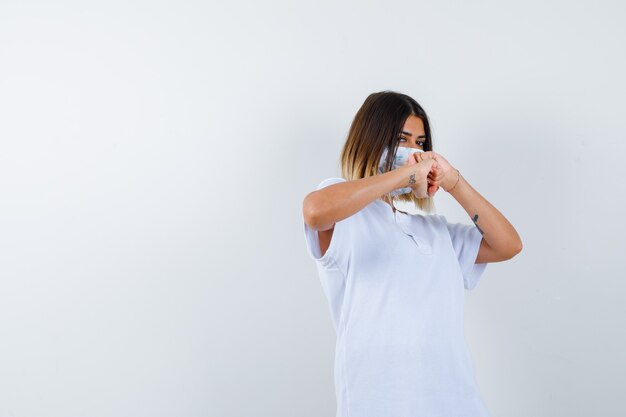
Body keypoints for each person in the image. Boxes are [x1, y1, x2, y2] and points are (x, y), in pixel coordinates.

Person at [301, 90, 522, 417]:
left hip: (456, 403)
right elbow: (315, 211)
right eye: (402, 141)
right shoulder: (347, 216)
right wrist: (406, 174)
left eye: (420, 144)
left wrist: (452, 181)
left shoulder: (436, 232)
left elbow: (509, 245)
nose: (415, 153)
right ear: (371, 140)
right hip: (378, 403)